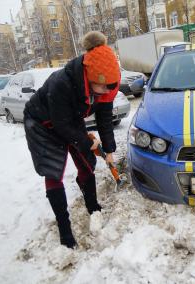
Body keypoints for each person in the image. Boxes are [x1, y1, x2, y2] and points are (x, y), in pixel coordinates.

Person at [23, 31, 120, 248]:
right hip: (41, 123)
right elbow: (61, 125)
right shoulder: (62, 83)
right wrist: (87, 141)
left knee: (86, 161)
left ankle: (92, 206)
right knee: (53, 170)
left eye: (112, 86)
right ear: (90, 76)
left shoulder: (103, 87)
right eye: (105, 86)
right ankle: (64, 229)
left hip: (68, 119)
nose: (109, 90)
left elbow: (104, 118)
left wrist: (109, 150)